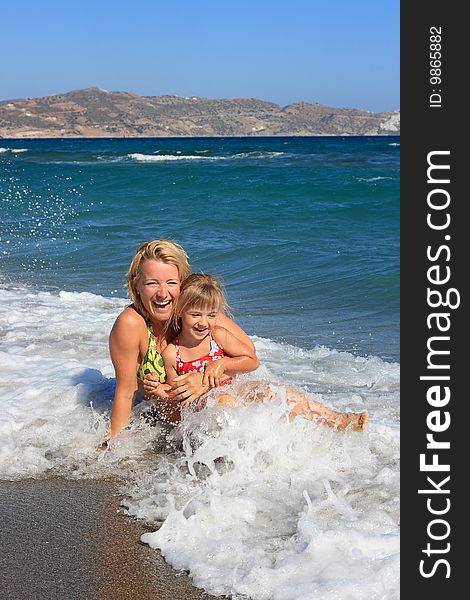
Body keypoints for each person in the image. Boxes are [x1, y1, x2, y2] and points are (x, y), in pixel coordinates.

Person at [162, 273, 368, 430]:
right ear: (180, 311)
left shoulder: (218, 335)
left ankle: (337, 420)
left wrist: (223, 363)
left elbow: (252, 361)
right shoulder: (173, 354)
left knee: (272, 390)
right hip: (205, 405)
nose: (203, 322)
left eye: (211, 315)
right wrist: (160, 392)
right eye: (195, 314)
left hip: (234, 387)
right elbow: (176, 402)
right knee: (225, 401)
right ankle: (237, 458)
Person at [103, 239, 258, 447]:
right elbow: (126, 392)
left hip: (224, 395)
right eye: (152, 283)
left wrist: (204, 378)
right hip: (180, 420)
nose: (162, 293)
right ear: (136, 284)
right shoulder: (131, 324)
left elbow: (249, 354)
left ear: (183, 284)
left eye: (171, 282)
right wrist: (112, 446)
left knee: (296, 404)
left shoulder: (194, 315)